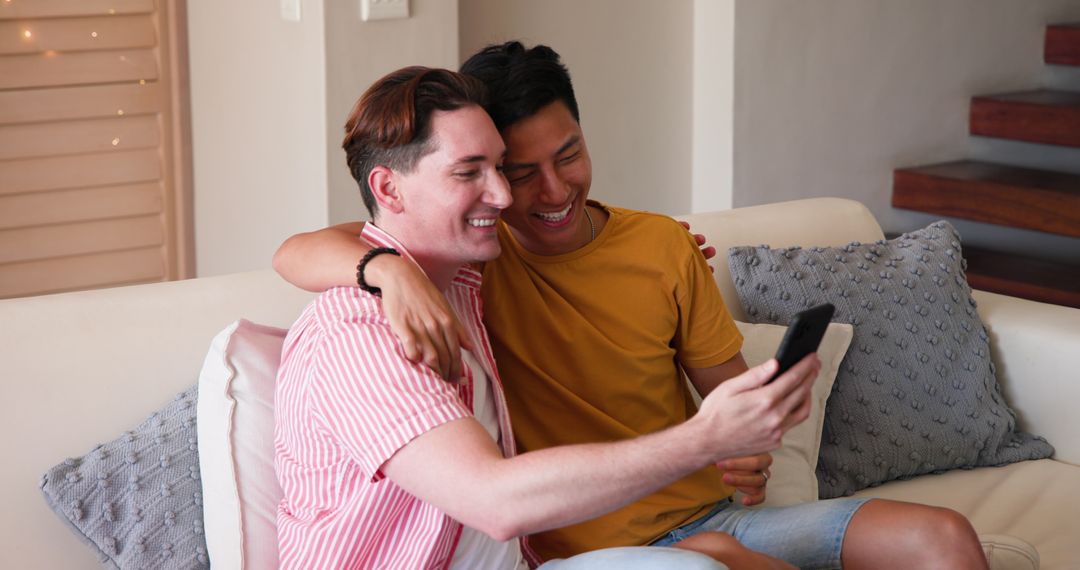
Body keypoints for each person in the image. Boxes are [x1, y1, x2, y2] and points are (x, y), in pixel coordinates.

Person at [274, 43, 990, 569]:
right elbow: (305, 250)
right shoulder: (454, 273)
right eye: (506, 172)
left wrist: (751, 431)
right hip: (574, 543)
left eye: (568, 155)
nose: (538, 192)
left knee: (942, 539)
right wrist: (383, 269)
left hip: (704, 516)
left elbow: (732, 409)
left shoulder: (637, 247)